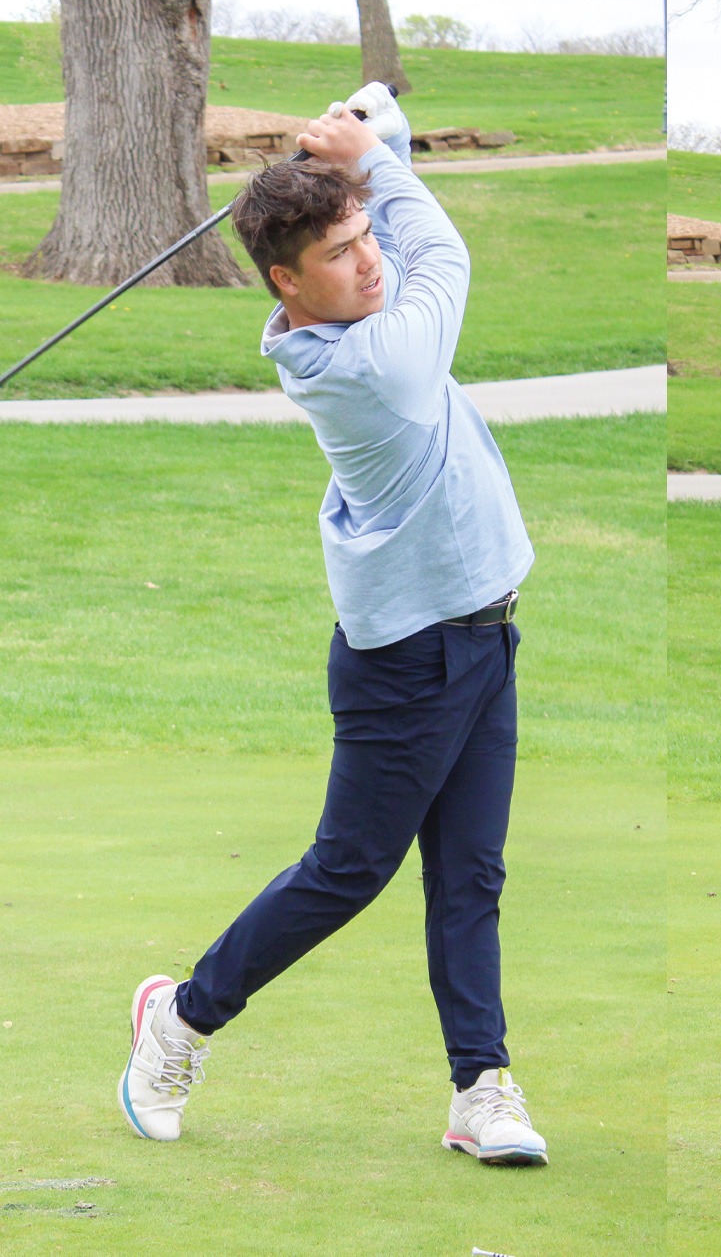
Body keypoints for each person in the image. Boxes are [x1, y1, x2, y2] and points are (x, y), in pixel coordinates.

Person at [118, 85, 547, 1165]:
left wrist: (370, 143)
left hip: (486, 635)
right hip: (409, 662)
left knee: (470, 877)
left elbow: (400, 234)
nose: (369, 264)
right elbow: (446, 255)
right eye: (340, 253)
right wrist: (379, 161)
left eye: (364, 237)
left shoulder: (361, 316)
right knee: (349, 869)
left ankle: (480, 1087)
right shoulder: (366, 366)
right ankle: (180, 1019)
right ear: (285, 282)